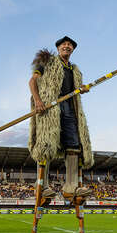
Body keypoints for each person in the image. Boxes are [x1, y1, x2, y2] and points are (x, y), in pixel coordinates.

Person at [28, 36, 93, 204]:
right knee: (46, 144)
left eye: (70, 45)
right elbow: (33, 81)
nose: (67, 46)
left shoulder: (75, 70)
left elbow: (75, 90)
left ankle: (70, 187)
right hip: (50, 108)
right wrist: (38, 101)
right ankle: (42, 186)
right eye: (64, 44)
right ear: (58, 48)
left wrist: (82, 89)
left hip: (70, 110)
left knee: (73, 145)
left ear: (72, 50)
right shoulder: (47, 62)